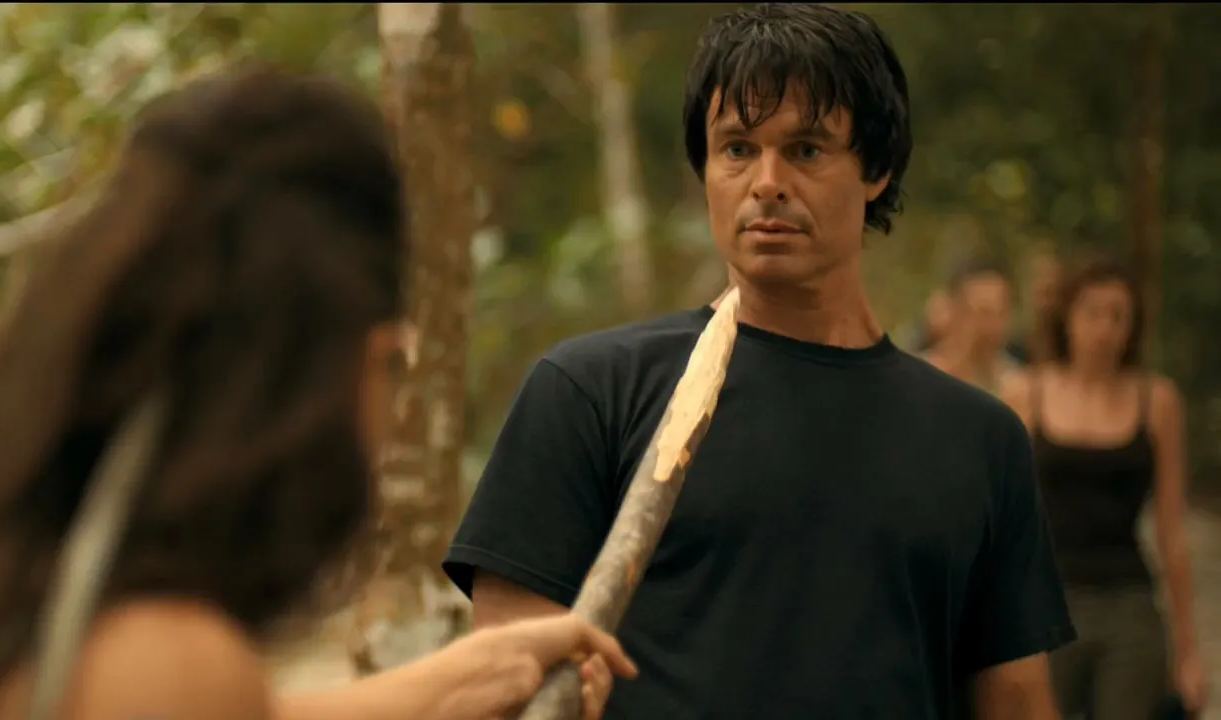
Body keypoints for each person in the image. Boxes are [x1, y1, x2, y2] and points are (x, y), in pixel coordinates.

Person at [0, 66, 636, 720]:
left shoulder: (39, 612)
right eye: (392, 373)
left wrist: (467, 678)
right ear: (361, 364)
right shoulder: (166, 664)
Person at [444, 4, 1074, 719]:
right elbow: (506, 680)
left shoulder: (979, 439)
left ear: (877, 168)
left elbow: (1016, 699)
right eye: (738, 148)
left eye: (805, 150)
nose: (766, 181)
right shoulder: (593, 392)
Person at [1000, 257, 1208, 719]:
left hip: (1127, 601)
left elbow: (1171, 532)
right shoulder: (1025, 393)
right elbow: (1001, 520)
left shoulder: (1157, 401)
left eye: (1118, 316)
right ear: (1068, 316)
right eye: (1092, 312)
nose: (1105, 329)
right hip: (1047, 603)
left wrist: (1188, 653)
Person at [923, 259, 1020, 393]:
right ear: (956, 313)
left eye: (1000, 313)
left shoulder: (1015, 384)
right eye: (984, 313)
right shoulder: (922, 377)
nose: (992, 326)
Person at [1005, 250, 1061, 365]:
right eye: (1040, 292)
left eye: (1051, 292)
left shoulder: (1068, 346)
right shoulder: (1011, 347)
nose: (1045, 303)